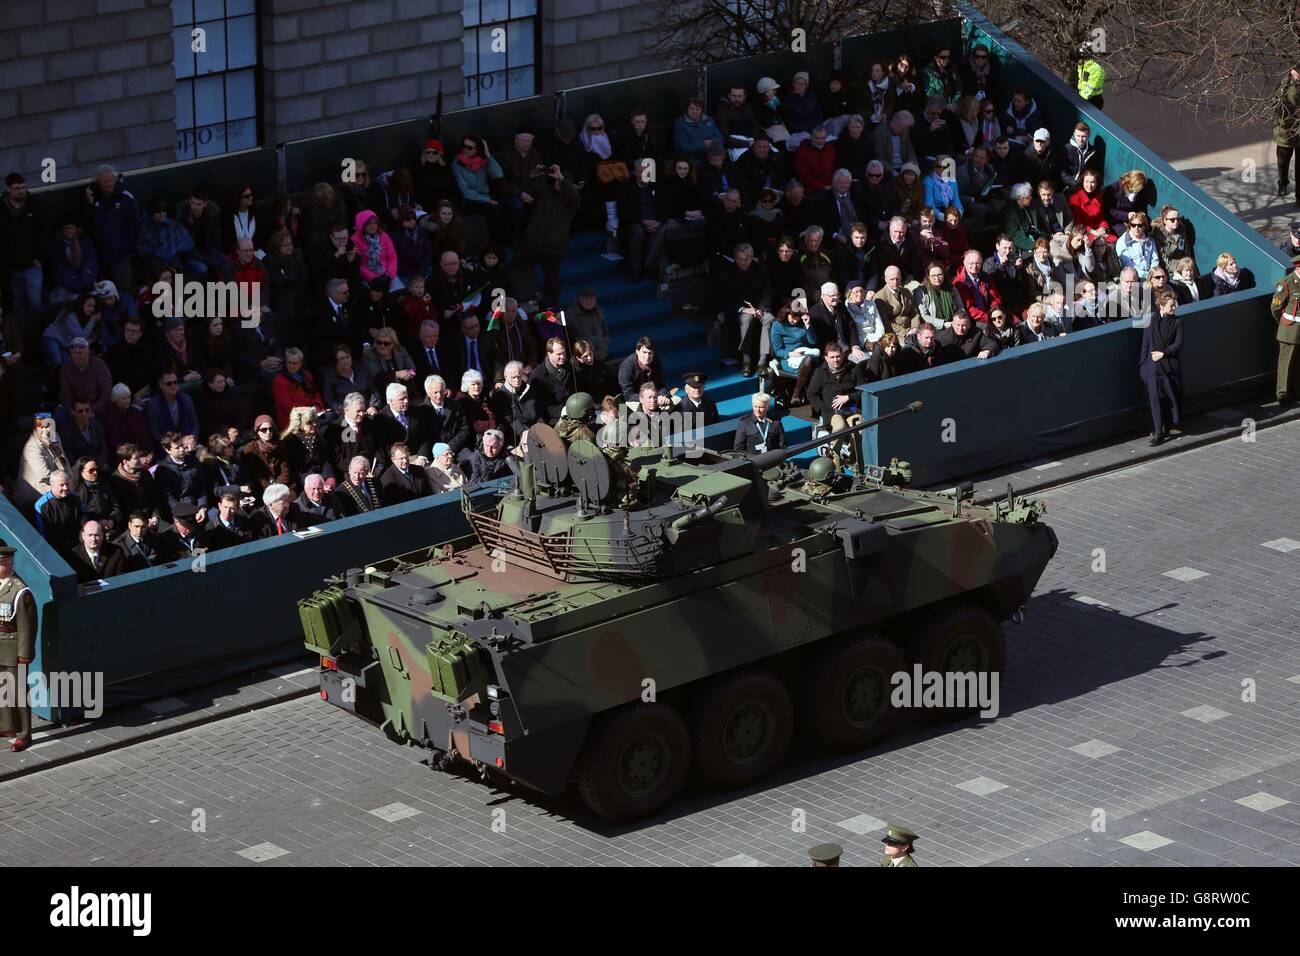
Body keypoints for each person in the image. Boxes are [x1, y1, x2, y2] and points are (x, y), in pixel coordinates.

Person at [0, 540, 37, 752]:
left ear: (8, 563)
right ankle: (6, 726)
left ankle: (24, 733)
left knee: (18, 692)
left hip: (13, 648)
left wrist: (24, 655)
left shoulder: (21, 591)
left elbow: (27, 625)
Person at [1141, 291, 1184, 445]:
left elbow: (1178, 344)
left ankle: (1167, 426)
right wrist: (1143, 368)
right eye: (1172, 305)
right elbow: (1145, 345)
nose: (1174, 308)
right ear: (1161, 305)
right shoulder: (1150, 321)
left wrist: (1163, 354)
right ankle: (1158, 431)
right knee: (1155, 399)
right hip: (1152, 368)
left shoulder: (1177, 322)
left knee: (1168, 398)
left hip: (1169, 367)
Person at [770, 303, 820, 406]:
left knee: (810, 358)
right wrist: (790, 354)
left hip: (806, 353)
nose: (795, 320)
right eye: (793, 317)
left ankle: (801, 394)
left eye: (798, 318)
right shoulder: (777, 325)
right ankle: (796, 393)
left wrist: (808, 326)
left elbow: (813, 341)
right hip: (789, 358)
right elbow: (778, 351)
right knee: (808, 361)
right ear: (786, 313)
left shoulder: (803, 322)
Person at [17, 413, 70, 506]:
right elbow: (45, 476)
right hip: (37, 492)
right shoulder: (32, 447)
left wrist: (70, 478)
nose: (46, 430)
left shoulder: (55, 438)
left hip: (57, 483)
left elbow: (65, 462)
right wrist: (65, 483)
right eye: (41, 427)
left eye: (49, 426)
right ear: (35, 428)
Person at [807, 342, 862, 430]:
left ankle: (854, 444)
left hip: (852, 409)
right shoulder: (820, 372)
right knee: (839, 428)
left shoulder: (854, 369)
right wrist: (823, 409)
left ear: (843, 356)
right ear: (826, 358)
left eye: (838, 356)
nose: (836, 360)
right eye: (832, 357)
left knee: (859, 428)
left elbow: (863, 392)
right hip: (832, 411)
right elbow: (811, 394)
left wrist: (849, 397)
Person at [1269, 253, 1300, 404]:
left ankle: (1296, 390)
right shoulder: (1287, 283)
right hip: (1290, 330)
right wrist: (1283, 325)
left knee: (1297, 364)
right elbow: (1275, 307)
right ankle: (1282, 394)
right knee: (1286, 363)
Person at [491, 360, 543, 447]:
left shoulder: (529, 390)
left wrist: (542, 429)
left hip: (535, 431)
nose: (517, 380)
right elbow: (511, 421)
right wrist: (525, 433)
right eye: (513, 377)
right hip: (515, 437)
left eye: (519, 376)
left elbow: (538, 413)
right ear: (506, 377)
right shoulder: (501, 395)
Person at [34, 470, 82, 558]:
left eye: (67, 484)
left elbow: (83, 520)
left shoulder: (76, 498)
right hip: (57, 549)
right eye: (62, 485)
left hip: (78, 544)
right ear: (51, 485)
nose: (66, 488)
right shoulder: (42, 505)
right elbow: (43, 532)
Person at [422, 374, 471, 455]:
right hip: (435, 453)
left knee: (472, 460)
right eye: (435, 392)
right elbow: (424, 437)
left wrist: (450, 447)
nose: (439, 396)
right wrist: (440, 451)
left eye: (441, 392)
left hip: (456, 448)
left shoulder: (455, 405)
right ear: (428, 393)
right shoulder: (422, 410)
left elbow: (464, 429)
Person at [1276, 66, 1300, 203]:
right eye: (1297, 71)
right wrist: (1292, 112)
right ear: (1292, 71)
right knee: (1283, 162)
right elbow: (1275, 105)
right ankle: (1283, 183)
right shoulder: (1283, 85)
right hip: (1285, 132)